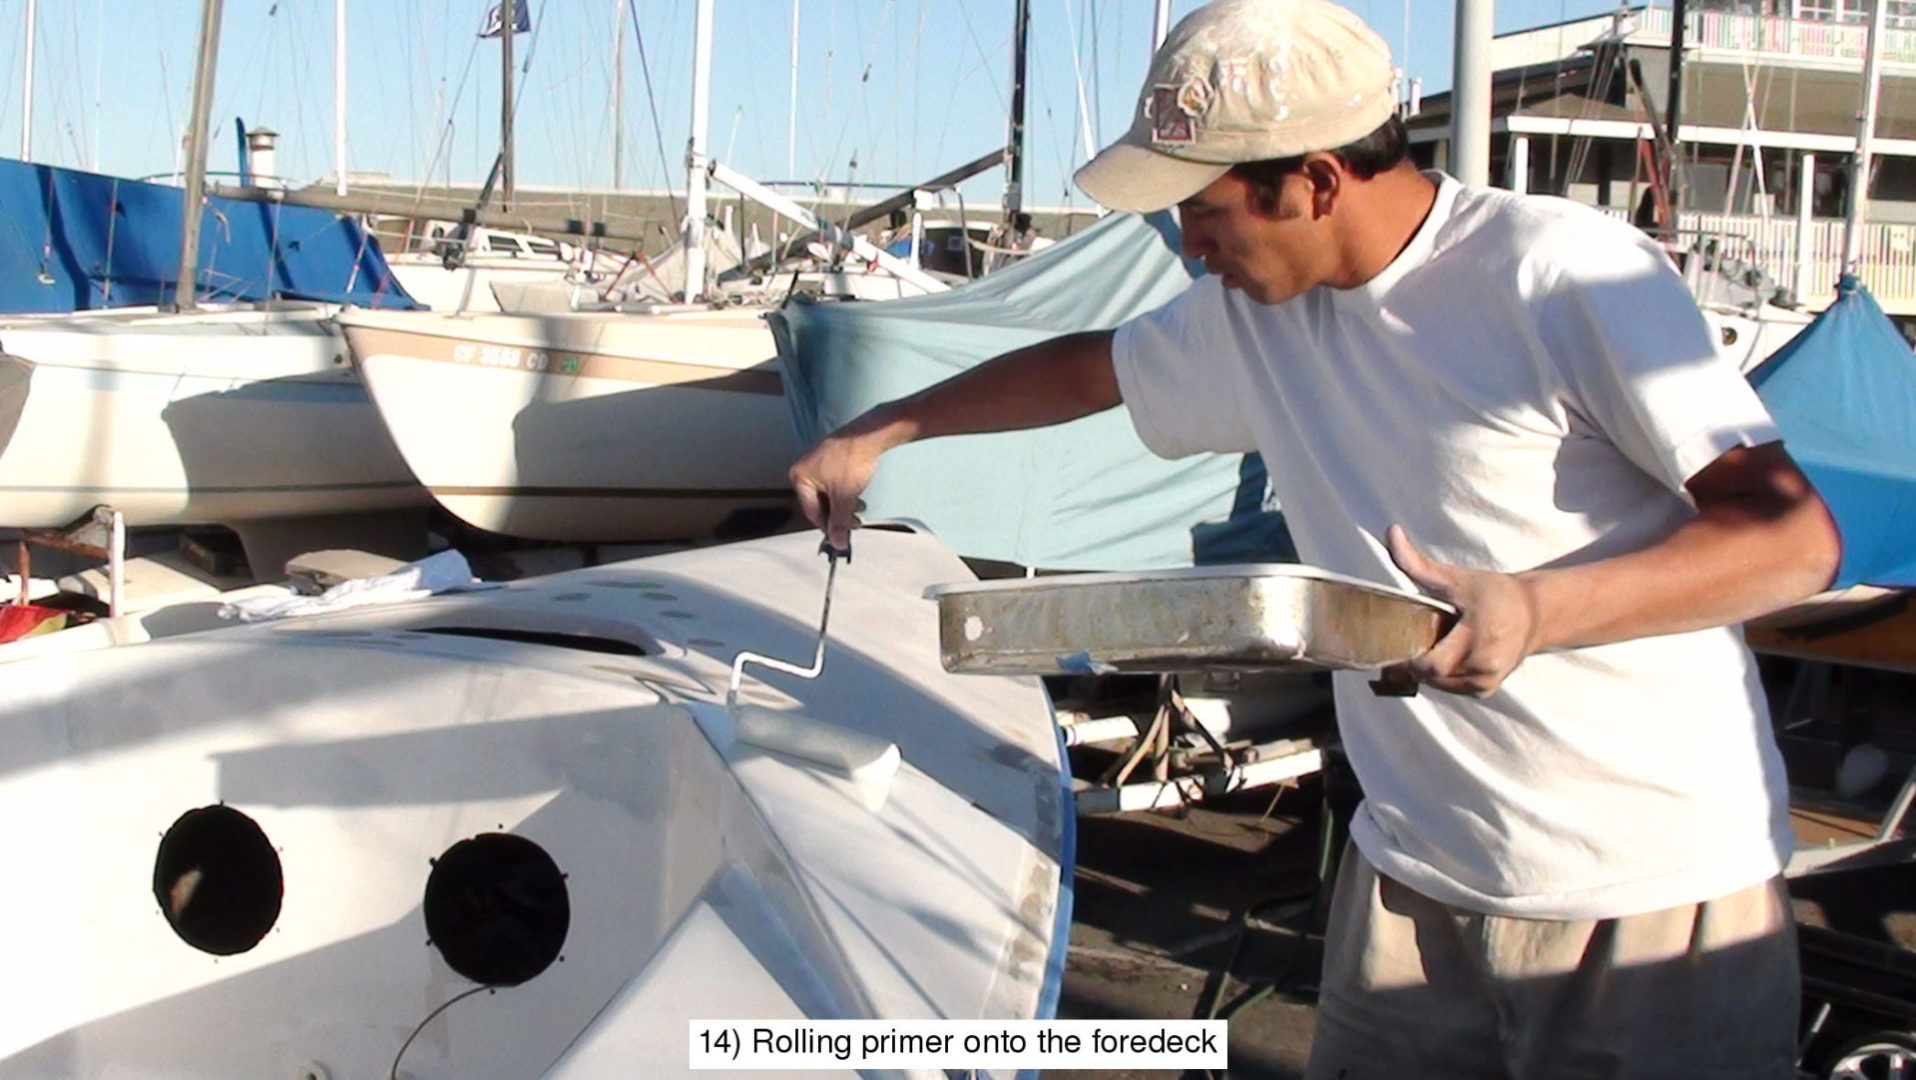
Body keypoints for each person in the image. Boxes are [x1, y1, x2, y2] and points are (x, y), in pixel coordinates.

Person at [788, 0, 1841, 1075]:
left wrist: (1534, 612)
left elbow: (1791, 541)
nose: (1190, 248)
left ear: (1316, 181)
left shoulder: (1558, 274)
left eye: (1202, 210)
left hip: (1648, 893)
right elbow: (1087, 368)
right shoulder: (1256, 315)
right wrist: (879, 430)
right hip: (1410, 882)